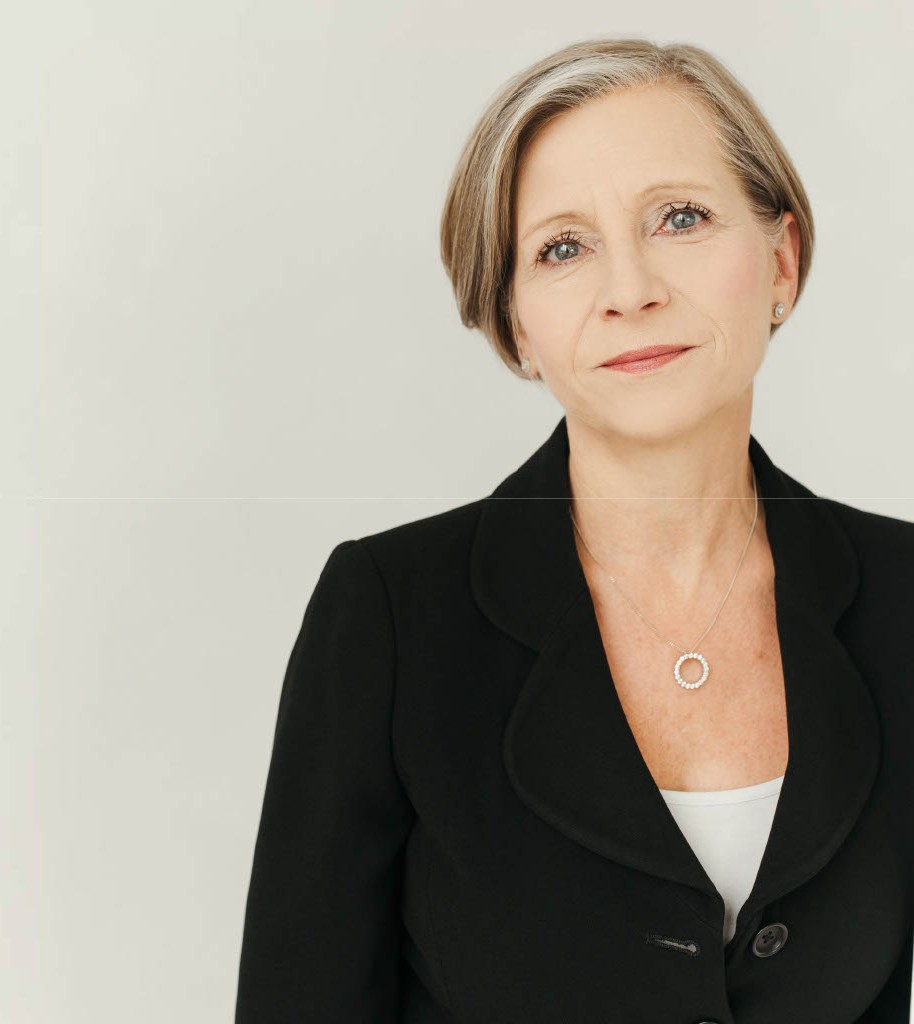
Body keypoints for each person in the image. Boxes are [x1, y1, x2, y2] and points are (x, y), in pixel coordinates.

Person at [234, 37, 914, 1023]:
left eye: (678, 217)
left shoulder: (903, 596)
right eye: (560, 247)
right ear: (513, 321)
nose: (628, 287)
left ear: (779, 258)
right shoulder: (390, 616)